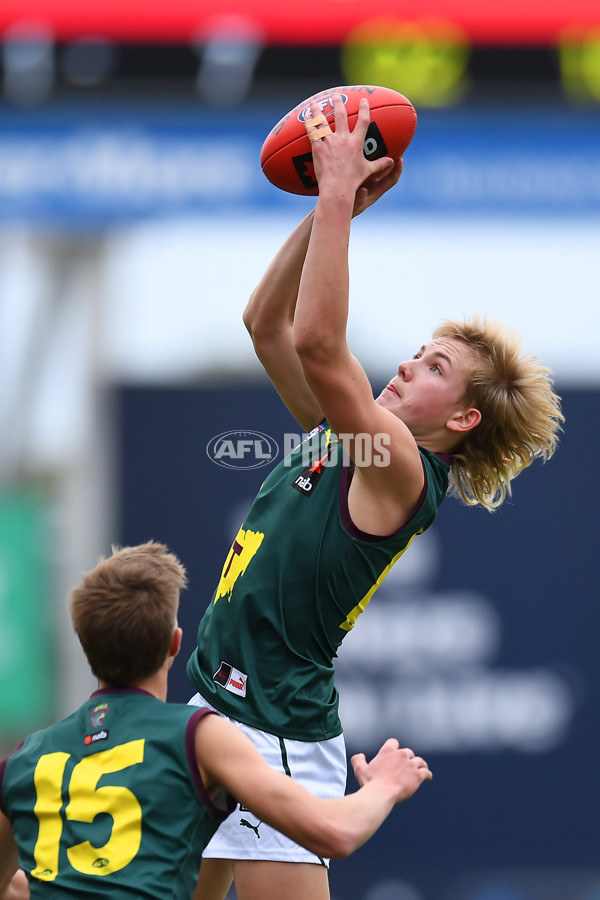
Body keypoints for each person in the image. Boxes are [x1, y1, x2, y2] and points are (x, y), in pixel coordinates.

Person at [186, 95, 564, 900]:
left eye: (432, 370)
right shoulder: (348, 437)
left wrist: (334, 196)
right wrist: (340, 205)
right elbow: (266, 324)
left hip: (276, 734)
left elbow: (320, 342)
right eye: (420, 351)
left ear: (462, 418)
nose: (406, 366)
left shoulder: (400, 466)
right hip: (213, 713)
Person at [0, 541, 432, 900]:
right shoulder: (197, 737)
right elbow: (333, 831)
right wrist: (385, 786)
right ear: (175, 643)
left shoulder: (23, 761)